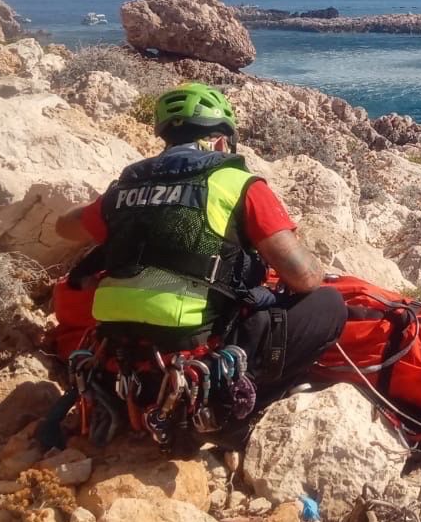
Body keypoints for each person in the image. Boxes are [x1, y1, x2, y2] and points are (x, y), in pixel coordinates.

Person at [54, 82, 345, 408]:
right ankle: (240, 410)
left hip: (116, 357)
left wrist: (110, 202)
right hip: (192, 362)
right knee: (329, 304)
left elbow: (63, 227)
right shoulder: (235, 182)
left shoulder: (123, 188)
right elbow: (304, 277)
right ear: (220, 140)